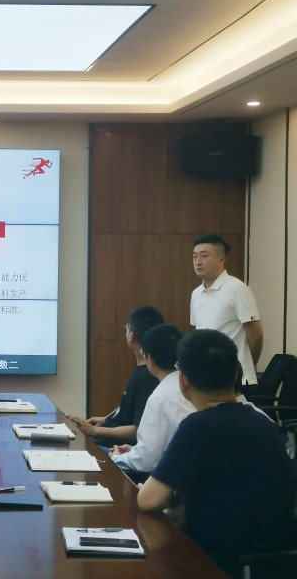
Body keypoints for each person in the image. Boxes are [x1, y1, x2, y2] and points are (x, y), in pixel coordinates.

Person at [138, 329, 294, 577]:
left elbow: (148, 500)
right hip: (274, 565)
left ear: (183, 381)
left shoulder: (197, 427)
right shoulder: (263, 422)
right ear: (235, 375)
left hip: (219, 565)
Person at [67, 306, 163, 448]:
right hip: (108, 440)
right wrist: (105, 420)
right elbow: (128, 413)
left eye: (127, 328)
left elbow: (138, 429)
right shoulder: (142, 370)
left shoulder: (148, 377)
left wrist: (94, 431)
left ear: (131, 336)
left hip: (117, 448)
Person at [110, 323, 195, 483]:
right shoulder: (190, 385)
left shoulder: (159, 397)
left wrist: (116, 458)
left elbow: (145, 462)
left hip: (169, 482)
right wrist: (135, 450)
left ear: (149, 358)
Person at [190, 234, 263, 391]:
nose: (198, 262)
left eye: (204, 256)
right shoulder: (196, 293)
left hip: (235, 377)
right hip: (207, 375)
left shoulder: (237, 288)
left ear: (221, 259)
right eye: (195, 256)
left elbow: (256, 334)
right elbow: (198, 333)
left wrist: (247, 365)